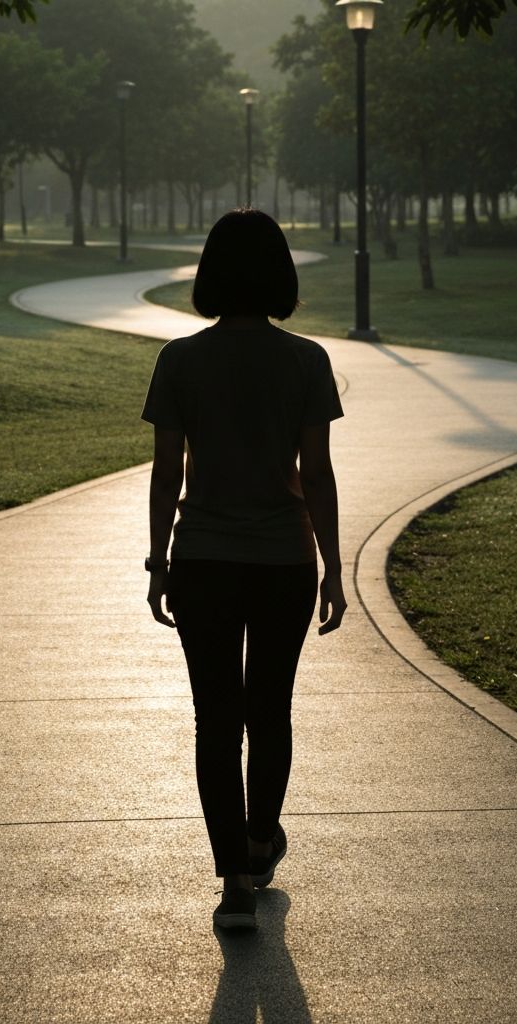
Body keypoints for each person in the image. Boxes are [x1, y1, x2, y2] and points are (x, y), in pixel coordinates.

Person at [141, 209, 346, 931]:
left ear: (210, 275)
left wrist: (158, 563)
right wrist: (333, 568)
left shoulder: (181, 360)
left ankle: (233, 882)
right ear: (281, 277)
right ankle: (261, 845)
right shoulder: (306, 360)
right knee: (270, 711)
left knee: (216, 722)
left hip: (202, 560)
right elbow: (315, 474)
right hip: (284, 559)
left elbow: (168, 474)